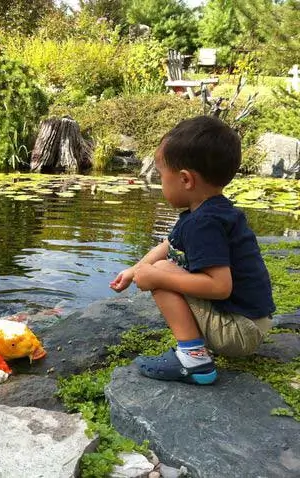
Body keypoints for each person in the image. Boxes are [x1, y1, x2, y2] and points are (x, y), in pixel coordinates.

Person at [110, 116, 275, 385]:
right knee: (159, 266)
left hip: (239, 331)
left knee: (162, 272)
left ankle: (194, 359)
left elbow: (220, 287)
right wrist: (134, 270)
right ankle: (195, 351)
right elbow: (167, 246)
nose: (160, 183)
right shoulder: (209, 211)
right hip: (249, 322)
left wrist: (157, 278)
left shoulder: (204, 224)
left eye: (162, 176)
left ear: (186, 179)